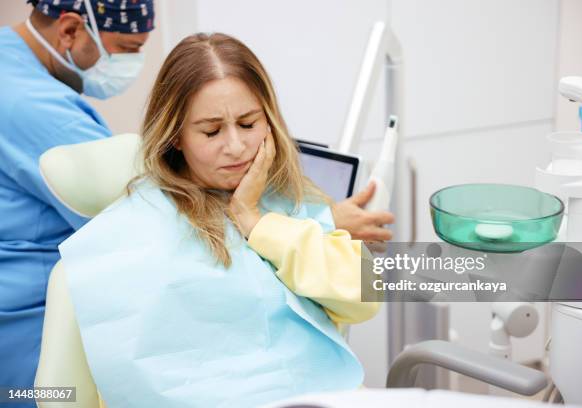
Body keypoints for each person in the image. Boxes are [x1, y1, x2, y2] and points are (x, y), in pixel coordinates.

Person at [37, 32, 383, 408]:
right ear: (176, 136)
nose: (235, 147)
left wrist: (256, 221)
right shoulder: (124, 236)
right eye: (212, 131)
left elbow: (365, 296)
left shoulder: (289, 203)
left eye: (249, 124)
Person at [0, 0, 155, 401]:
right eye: (128, 48)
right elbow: (140, 213)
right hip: (22, 347)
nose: (132, 65)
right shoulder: (31, 104)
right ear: (69, 30)